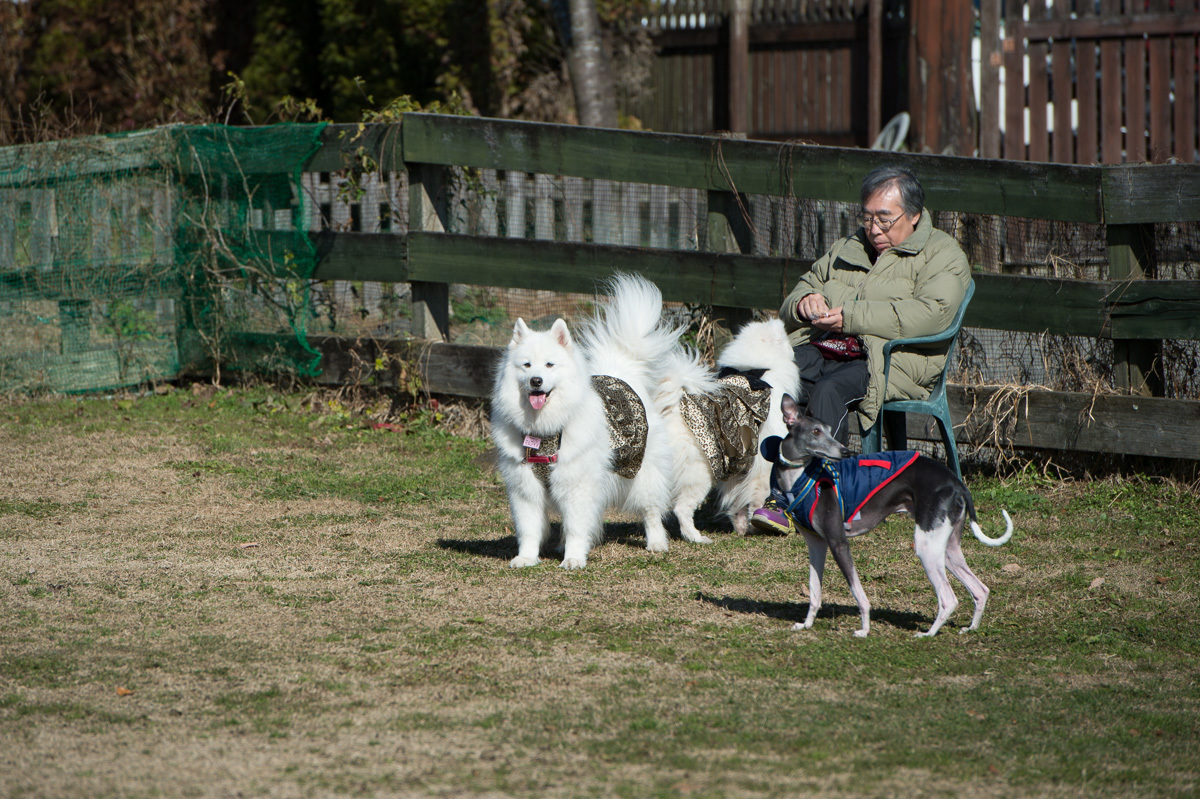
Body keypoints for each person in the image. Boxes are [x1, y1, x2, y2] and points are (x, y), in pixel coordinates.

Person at [750, 166, 970, 534]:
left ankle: (811, 495)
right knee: (772, 375)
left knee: (830, 390)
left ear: (914, 215)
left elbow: (933, 314)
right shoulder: (847, 248)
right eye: (867, 217)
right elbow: (798, 293)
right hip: (826, 346)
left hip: (891, 358)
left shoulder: (943, 254)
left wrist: (851, 316)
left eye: (885, 219)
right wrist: (804, 302)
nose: (874, 229)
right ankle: (752, 485)